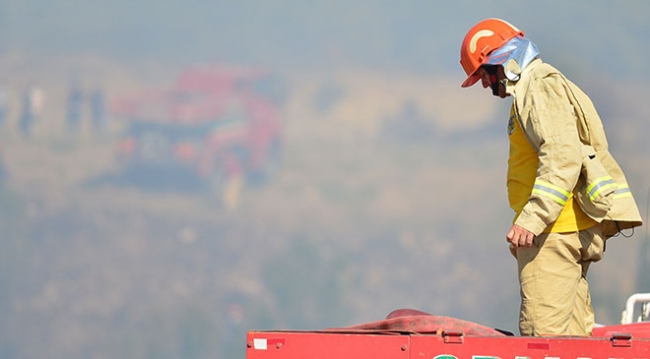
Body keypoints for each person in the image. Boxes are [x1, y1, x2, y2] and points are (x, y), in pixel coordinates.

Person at [459, 18, 642, 337]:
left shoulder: (538, 86)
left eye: (484, 74)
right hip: (563, 230)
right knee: (571, 346)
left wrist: (531, 219)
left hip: (553, 233)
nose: (486, 85)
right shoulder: (540, 87)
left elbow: (562, 156)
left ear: (501, 60)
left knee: (542, 342)